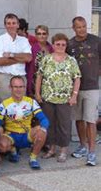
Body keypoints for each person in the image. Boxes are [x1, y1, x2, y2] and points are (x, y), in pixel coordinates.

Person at [35, 33, 81, 163]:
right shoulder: (46, 59)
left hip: (65, 99)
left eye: (63, 44)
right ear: (53, 45)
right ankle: (51, 149)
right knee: (50, 124)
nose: (60, 46)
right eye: (58, 44)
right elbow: (39, 76)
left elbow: (77, 78)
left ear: (66, 45)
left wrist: (74, 95)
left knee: (64, 124)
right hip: (48, 98)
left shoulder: (71, 60)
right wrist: (37, 93)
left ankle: (63, 150)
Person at [0, 76, 49, 169]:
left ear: (24, 87)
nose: (18, 90)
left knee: (42, 132)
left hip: (27, 135)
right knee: (2, 145)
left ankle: (33, 158)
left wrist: (42, 130)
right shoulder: (4, 104)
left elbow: (44, 119)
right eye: (15, 87)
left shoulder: (31, 102)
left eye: (21, 87)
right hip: (11, 135)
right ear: (10, 88)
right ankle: (12, 150)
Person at [67, 16, 100, 166]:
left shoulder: (96, 41)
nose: (82, 29)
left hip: (92, 87)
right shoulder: (70, 44)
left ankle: (92, 152)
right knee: (79, 119)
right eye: (78, 27)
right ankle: (82, 146)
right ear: (73, 28)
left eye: (84, 26)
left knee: (90, 120)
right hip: (75, 88)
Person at [0, 13, 32, 103]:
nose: (11, 26)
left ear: (18, 25)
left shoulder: (24, 40)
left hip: (20, 77)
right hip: (5, 78)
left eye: (13, 23)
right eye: (8, 23)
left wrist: (11, 55)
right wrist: (20, 58)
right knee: (6, 106)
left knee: (21, 106)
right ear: (5, 25)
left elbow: (28, 58)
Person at [25, 25, 53, 97]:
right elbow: (28, 69)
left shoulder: (52, 49)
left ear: (47, 35)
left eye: (44, 33)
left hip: (49, 82)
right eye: (39, 34)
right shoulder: (31, 49)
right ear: (36, 35)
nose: (42, 36)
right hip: (34, 82)